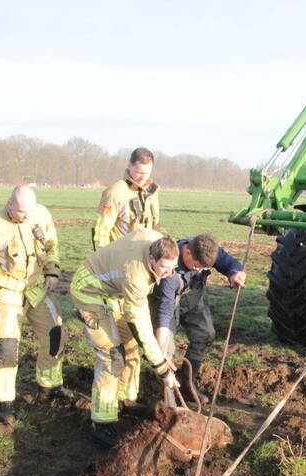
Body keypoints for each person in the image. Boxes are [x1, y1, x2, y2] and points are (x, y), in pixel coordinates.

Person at [70, 229, 181, 447]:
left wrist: (157, 357)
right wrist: (161, 368)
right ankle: (101, 422)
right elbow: (139, 322)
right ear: (151, 258)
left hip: (114, 293)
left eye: (173, 267)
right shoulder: (136, 275)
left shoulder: (158, 241)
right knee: (112, 355)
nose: (168, 273)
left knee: (130, 345)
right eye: (163, 268)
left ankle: (124, 400)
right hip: (89, 292)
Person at [0, 185, 68, 426]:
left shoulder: (41, 214)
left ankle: (49, 384)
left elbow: (52, 245)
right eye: (22, 212)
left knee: (56, 333)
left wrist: (52, 272)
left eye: (30, 211)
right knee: (6, 347)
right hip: (6, 293)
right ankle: (3, 402)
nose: (27, 216)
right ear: (10, 204)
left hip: (36, 289)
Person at [151, 234, 245, 402]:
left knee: (205, 334)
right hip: (168, 305)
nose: (200, 270)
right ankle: (170, 404)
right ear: (187, 253)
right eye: (196, 266)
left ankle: (188, 384)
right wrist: (161, 349)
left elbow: (230, 263)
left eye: (204, 268)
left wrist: (234, 274)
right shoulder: (170, 274)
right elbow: (164, 313)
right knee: (167, 353)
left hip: (193, 297)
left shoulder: (206, 250)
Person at [91, 147, 159, 250]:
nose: (143, 177)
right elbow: (100, 231)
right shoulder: (114, 193)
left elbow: (155, 225)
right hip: (120, 257)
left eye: (147, 173)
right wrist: (103, 259)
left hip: (145, 256)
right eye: (139, 172)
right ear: (129, 165)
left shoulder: (151, 192)